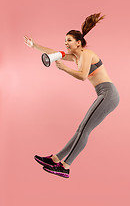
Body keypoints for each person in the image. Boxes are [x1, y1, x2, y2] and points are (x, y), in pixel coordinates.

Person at [24, 12, 120, 178]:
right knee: (81, 129)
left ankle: (65, 166)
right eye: (65, 40)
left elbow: (83, 76)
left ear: (78, 42)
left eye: (69, 40)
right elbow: (54, 52)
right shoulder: (76, 57)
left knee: (84, 129)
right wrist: (34, 46)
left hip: (108, 94)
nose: (66, 43)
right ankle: (55, 159)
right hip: (104, 94)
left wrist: (64, 68)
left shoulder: (86, 55)